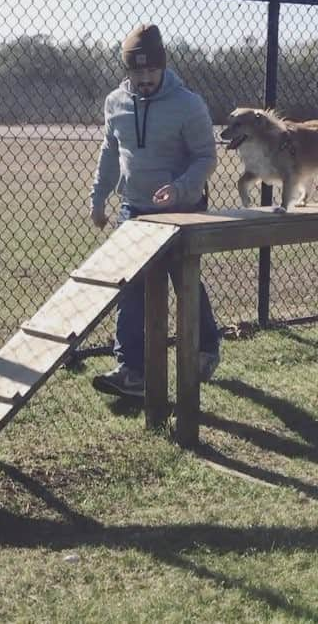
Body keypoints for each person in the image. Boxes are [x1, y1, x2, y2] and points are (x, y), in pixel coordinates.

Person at [89, 23, 221, 398]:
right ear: (127, 70)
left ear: (163, 66)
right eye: (137, 71)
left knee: (184, 279)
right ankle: (133, 370)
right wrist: (99, 198)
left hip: (184, 208)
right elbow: (110, 151)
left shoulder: (188, 104)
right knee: (131, 287)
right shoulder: (115, 103)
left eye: (151, 70)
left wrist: (179, 188)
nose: (145, 78)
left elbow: (205, 158)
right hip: (135, 207)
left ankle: (205, 349)